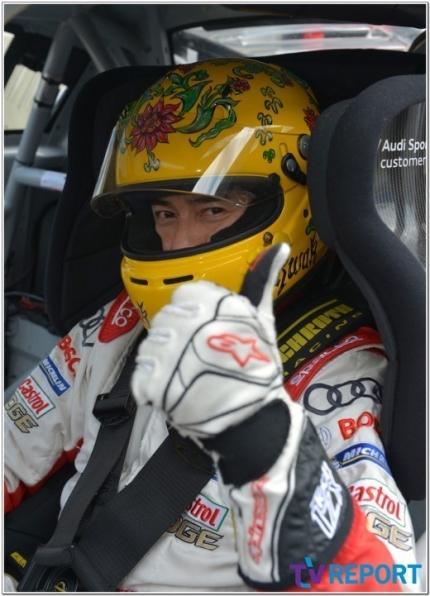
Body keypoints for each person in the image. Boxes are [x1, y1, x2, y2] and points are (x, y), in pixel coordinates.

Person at [4, 58, 420, 592]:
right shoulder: (119, 325)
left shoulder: (338, 376)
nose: (179, 243)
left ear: (298, 207)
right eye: (165, 214)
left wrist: (271, 453)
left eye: (214, 210)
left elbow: (384, 579)